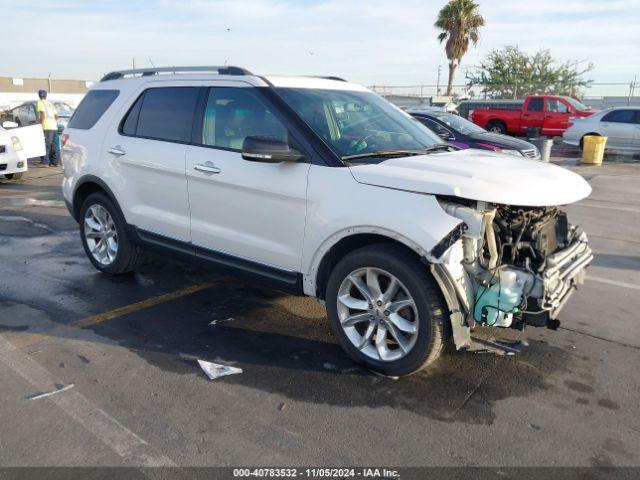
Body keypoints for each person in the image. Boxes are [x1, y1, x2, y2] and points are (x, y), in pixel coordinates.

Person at [37, 90, 59, 167]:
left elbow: (42, 114)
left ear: (39, 96)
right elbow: (56, 116)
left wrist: (41, 124)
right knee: (54, 145)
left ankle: (45, 162)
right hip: (54, 127)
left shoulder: (40, 102)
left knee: (47, 145)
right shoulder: (50, 104)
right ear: (46, 95)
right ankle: (55, 162)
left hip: (46, 126)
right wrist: (53, 122)